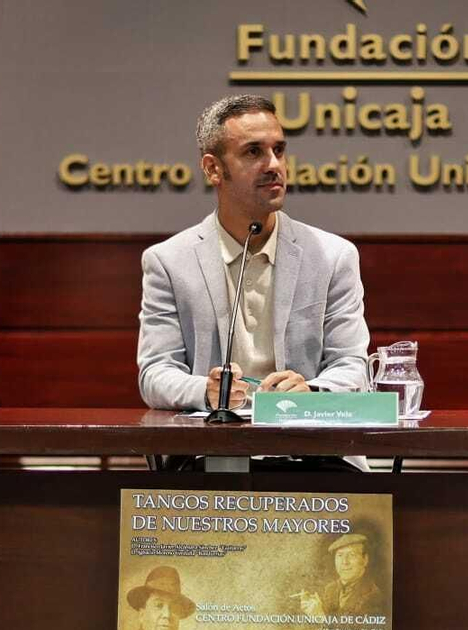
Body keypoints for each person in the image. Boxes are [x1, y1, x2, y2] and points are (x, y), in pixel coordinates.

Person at [136, 94, 370, 412]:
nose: (274, 165)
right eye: (253, 152)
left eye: (279, 150)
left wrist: (311, 391)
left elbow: (353, 367)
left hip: (310, 450)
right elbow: (154, 374)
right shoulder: (168, 262)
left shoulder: (333, 256)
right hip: (213, 450)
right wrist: (206, 391)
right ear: (213, 169)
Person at [299, 534, 382, 617]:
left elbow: (355, 629)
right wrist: (313, 610)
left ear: (365, 560)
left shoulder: (373, 595)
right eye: (340, 555)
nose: (345, 562)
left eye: (352, 555)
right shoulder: (330, 589)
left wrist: (320, 616)